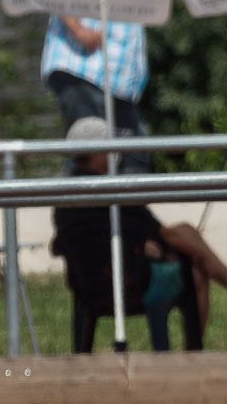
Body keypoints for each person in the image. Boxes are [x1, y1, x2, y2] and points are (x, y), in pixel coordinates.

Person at [54, 116, 227, 335]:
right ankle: (193, 348)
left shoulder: (63, 196)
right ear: (97, 152)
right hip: (130, 280)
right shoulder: (112, 191)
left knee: (184, 235)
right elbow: (158, 232)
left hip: (85, 285)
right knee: (192, 260)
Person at [41, 16, 151, 174]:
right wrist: (78, 29)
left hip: (120, 84)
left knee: (134, 161)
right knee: (90, 158)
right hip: (83, 68)